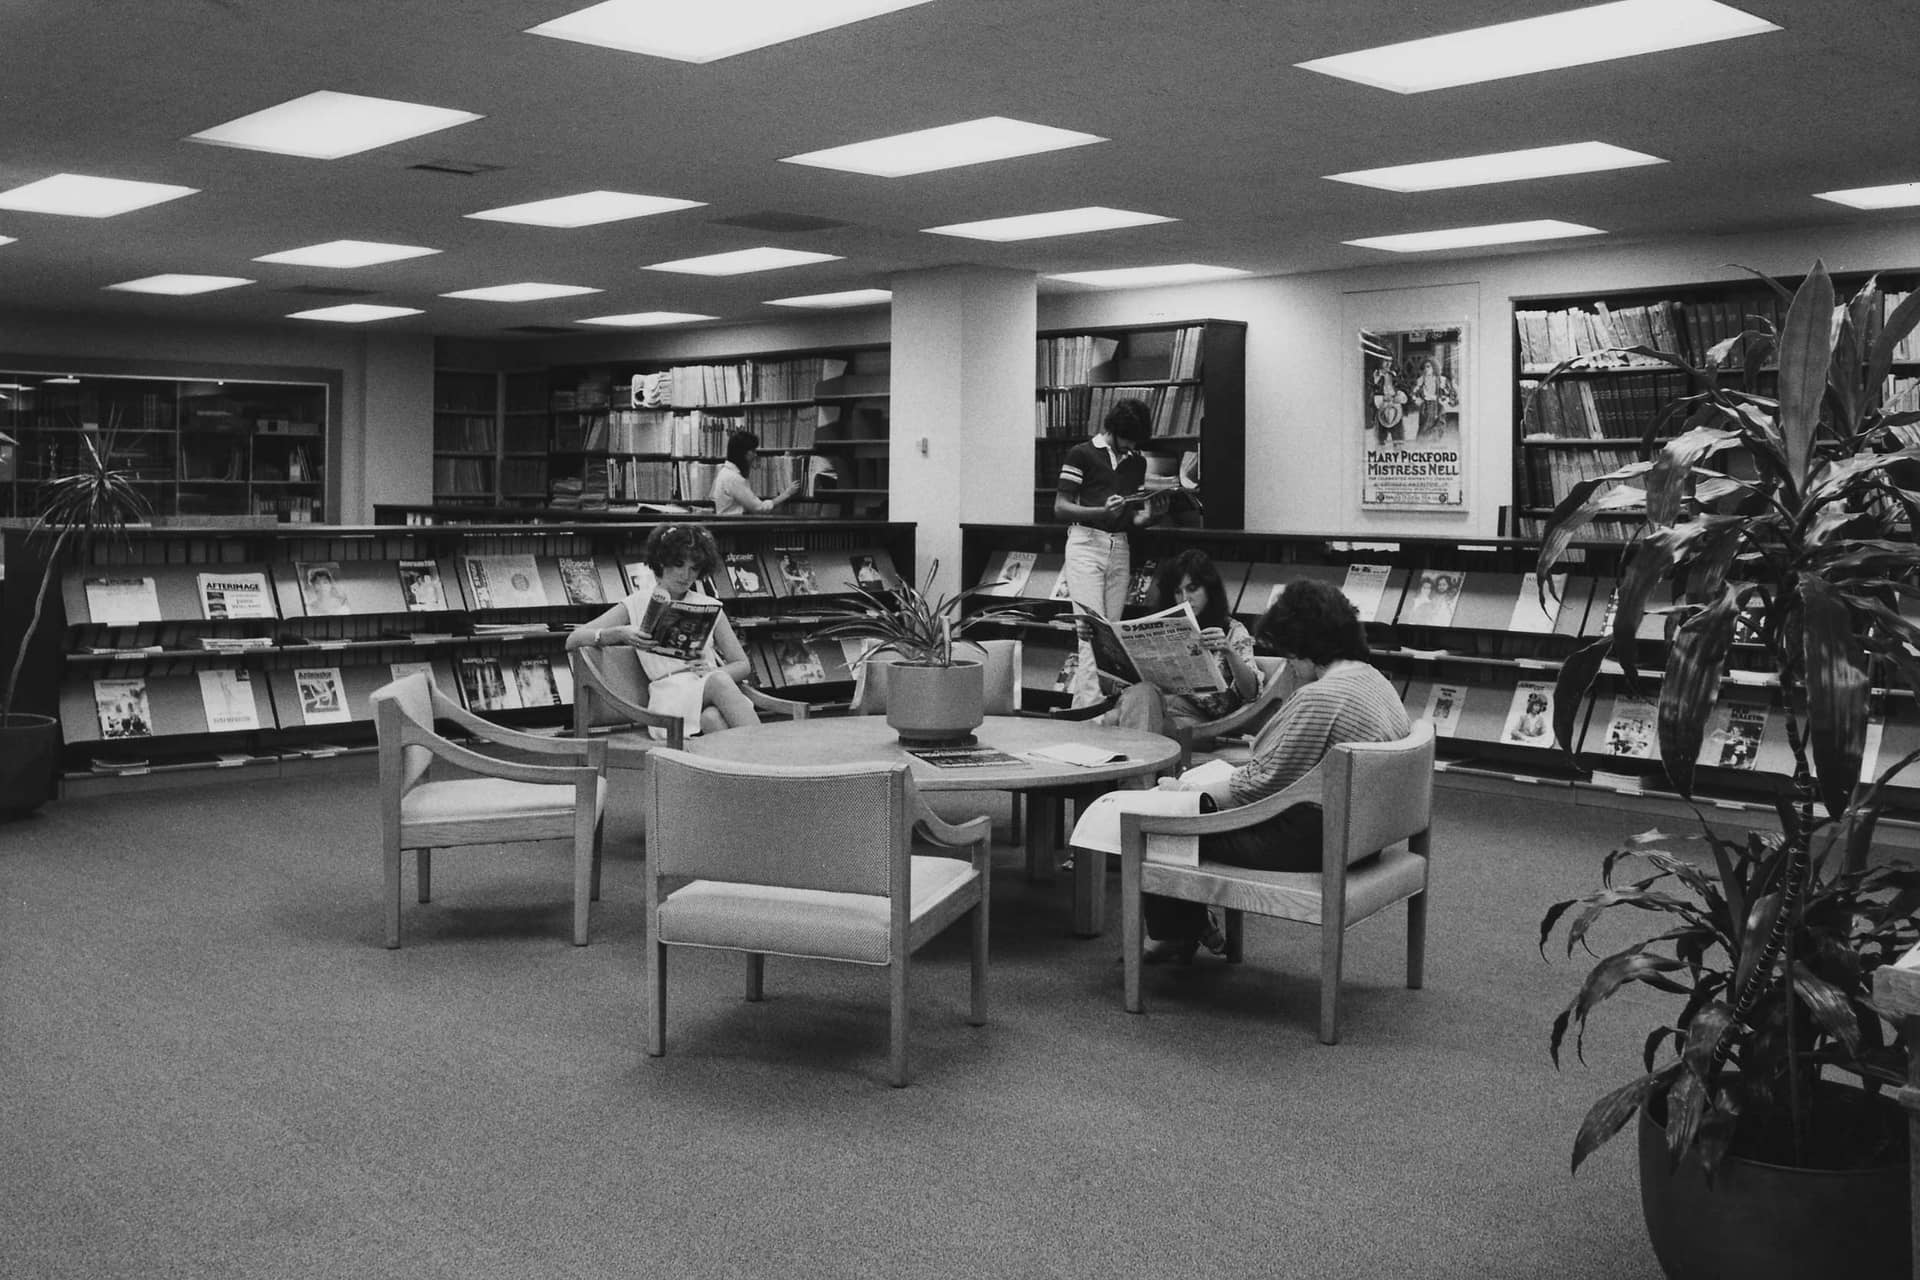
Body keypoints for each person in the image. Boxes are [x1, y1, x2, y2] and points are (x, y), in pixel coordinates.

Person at [1135, 578, 1412, 963]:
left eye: (1290, 656)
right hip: (1368, 833)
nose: (1289, 668)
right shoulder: (1374, 679)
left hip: (1322, 840)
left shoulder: (1321, 696)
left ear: (1305, 648)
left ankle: (1174, 934)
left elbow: (1260, 785)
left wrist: (1182, 795)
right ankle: (1189, 927)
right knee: (1195, 805)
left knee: (1160, 827)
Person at [564, 523, 760, 736]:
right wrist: (618, 634)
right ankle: (773, 758)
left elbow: (742, 665)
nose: (685, 575)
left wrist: (714, 671)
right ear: (662, 562)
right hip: (669, 697)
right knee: (720, 684)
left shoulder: (710, 606)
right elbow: (572, 640)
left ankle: (745, 766)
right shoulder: (636, 603)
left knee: (712, 718)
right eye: (678, 564)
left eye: (694, 568)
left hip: (706, 686)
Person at [1054, 397, 1161, 706]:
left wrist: (1151, 517)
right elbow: (1060, 507)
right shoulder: (1082, 454)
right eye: (1127, 439)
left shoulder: (1137, 462)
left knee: (1110, 636)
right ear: (1113, 430)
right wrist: (1100, 510)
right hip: (1086, 542)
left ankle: (1103, 708)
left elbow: (1134, 517)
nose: (1131, 447)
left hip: (1120, 545)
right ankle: (1089, 711)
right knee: (1089, 632)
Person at [1104, 549, 1262, 736]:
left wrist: (1229, 652)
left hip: (1198, 718)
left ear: (1209, 590)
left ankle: (1139, 761)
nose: (1185, 598)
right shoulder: (1159, 624)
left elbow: (1251, 692)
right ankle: (1144, 760)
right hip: (1155, 703)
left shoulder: (1232, 629)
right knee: (1136, 698)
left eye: (1192, 588)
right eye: (1178, 592)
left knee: (1118, 719)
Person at [709, 431, 801, 516]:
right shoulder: (733, 478)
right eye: (753, 451)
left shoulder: (725, 472)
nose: (755, 455)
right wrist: (786, 494)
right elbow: (759, 508)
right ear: (742, 452)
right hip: (735, 529)